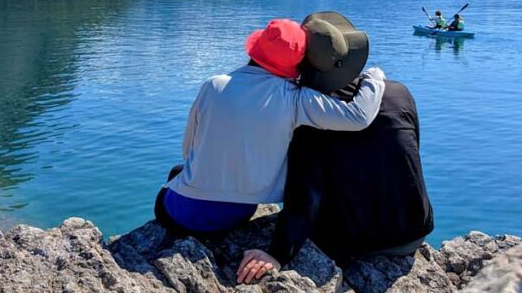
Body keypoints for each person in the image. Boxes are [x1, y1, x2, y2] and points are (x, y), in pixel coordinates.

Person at [155, 16, 386, 237]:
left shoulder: (213, 85)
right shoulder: (295, 98)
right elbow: (358, 116)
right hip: (238, 214)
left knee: (177, 172)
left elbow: (188, 152)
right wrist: (373, 79)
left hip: (182, 214)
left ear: (257, 49)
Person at [236, 34, 433, 285]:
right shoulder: (399, 93)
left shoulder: (309, 120)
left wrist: (277, 253)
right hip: (413, 232)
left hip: (355, 243)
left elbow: (305, 197)